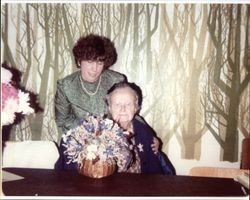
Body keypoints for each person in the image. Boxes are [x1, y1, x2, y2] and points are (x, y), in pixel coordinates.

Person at [54, 34, 159, 170]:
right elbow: (62, 121)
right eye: (89, 62)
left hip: (115, 142)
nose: (94, 69)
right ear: (79, 61)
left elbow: (128, 111)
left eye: (99, 63)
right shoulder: (66, 85)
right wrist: (91, 130)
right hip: (81, 141)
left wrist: (150, 136)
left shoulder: (116, 80)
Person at [106, 81, 175, 175]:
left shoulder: (143, 130)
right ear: (109, 108)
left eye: (128, 104)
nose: (123, 109)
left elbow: (154, 167)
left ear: (136, 108)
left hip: (142, 186)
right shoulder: (99, 131)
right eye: (117, 104)